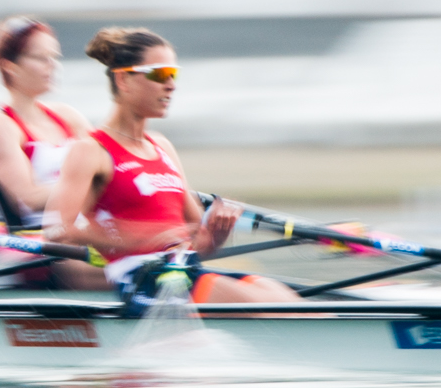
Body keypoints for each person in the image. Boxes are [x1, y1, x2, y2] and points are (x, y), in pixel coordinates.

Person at [42, 27, 298, 302]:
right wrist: (137, 236)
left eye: (174, 74)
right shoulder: (90, 150)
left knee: (287, 299)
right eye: (160, 74)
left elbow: (196, 241)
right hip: (144, 282)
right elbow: (56, 231)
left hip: (184, 272)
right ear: (124, 79)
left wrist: (215, 234)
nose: (171, 85)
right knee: (274, 307)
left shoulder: (162, 147)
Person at [0, 13, 88, 231]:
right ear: (9, 66)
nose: (53, 66)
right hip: (39, 238)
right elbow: (29, 198)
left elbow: (111, 164)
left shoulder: (68, 116)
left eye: (54, 57)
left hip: (85, 230)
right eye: (41, 58)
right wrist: (94, 186)